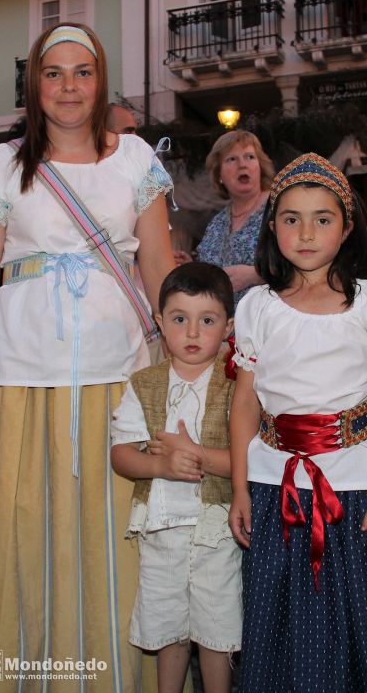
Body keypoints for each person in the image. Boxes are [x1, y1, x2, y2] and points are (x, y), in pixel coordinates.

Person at [0, 22, 175, 692]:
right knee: (21, 537)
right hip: (19, 373)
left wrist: (181, 369)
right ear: (34, 85)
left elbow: (160, 266)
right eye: (54, 72)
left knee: (115, 537)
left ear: (100, 79)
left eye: (82, 71)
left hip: (119, 372)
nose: (69, 86)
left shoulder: (136, 158)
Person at [229, 153, 367, 693]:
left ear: (346, 229)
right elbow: (245, 405)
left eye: (323, 218)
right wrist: (239, 488)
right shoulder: (257, 307)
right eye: (291, 218)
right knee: (285, 620)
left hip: (360, 487)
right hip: (278, 488)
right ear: (272, 227)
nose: (305, 232)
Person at [111, 262, 242, 693]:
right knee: (169, 630)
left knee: (215, 630)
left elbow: (251, 459)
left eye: (207, 321)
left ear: (228, 326)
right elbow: (122, 454)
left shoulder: (238, 385)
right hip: (162, 527)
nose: (191, 333)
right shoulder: (144, 383)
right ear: (159, 322)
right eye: (179, 319)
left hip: (217, 530)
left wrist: (199, 457)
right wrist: (161, 467)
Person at [175, 130, 274, 306]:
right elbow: (213, 274)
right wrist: (192, 267)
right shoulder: (217, 223)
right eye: (231, 159)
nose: (242, 164)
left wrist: (256, 275)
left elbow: (309, 264)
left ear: (260, 166)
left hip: (271, 325)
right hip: (226, 328)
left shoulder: (281, 208)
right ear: (219, 175)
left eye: (250, 157)